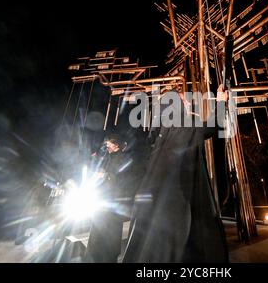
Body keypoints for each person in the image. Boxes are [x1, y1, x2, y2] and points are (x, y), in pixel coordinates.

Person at [122, 86, 229, 263]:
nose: (188, 103)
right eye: (183, 100)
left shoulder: (161, 136)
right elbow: (213, 126)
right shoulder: (179, 127)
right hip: (174, 211)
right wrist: (220, 101)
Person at [85, 137, 135, 262]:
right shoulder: (106, 157)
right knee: (97, 233)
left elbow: (123, 178)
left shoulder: (124, 158)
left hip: (114, 201)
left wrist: (105, 176)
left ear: (116, 144)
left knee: (110, 235)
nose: (106, 145)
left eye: (109, 143)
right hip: (102, 199)